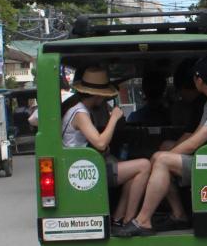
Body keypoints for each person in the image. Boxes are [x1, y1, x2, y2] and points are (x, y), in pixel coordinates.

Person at [119, 56, 207, 237]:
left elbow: (195, 143)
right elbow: (195, 134)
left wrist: (164, 158)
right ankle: (179, 214)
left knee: (162, 160)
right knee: (162, 152)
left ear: (199, 80)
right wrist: (166, 153)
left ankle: (143, 221)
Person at [61, 68, 151, 229]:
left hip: (88, 165)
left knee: (134, 171)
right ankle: (130, 220)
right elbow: (100, 143)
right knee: (144, 165)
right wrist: (114, 118)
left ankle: (119, 219)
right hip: (85, 169)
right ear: (97, 94)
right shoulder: (80, 113)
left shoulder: (79, 109)